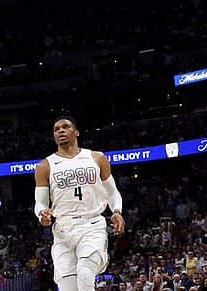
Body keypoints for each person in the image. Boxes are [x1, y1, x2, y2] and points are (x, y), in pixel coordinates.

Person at [33, 116, 126, 291]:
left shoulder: (96, 157)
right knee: (69, 288)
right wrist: (42, 214)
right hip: (62, 229)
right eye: (56, 129)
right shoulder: (45, 165)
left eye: (65, 127)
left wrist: (117, 210)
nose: (60, 130)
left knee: (85, 273)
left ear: (76, 132)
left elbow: (112, 192)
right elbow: (40, 202)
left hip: (92, 224)